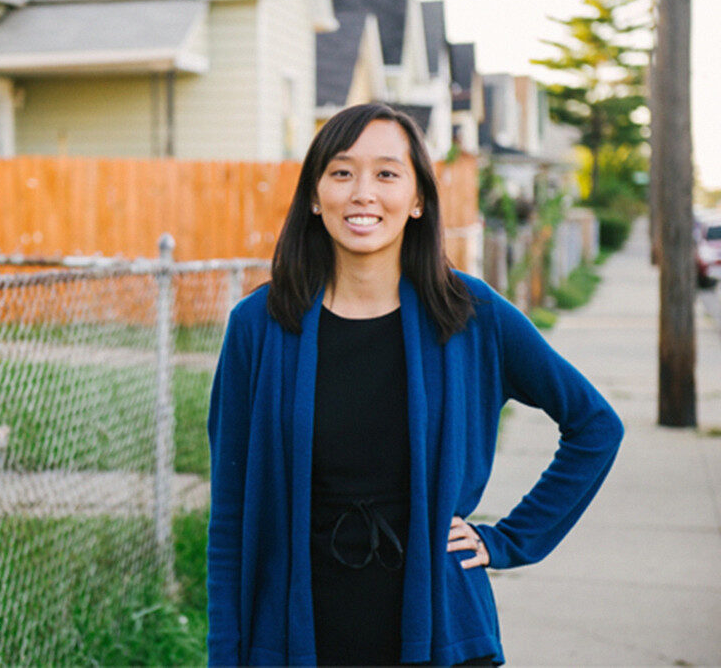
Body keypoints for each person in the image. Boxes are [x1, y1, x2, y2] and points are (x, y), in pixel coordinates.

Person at [206, 103, 624, 666]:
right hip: (296, 638)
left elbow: (595, 425)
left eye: (386, 173)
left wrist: (507, 540)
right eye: (341, 171)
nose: (362, 193)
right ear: (313, 194)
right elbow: (231, 517)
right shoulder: (259, 326)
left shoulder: (471, 315)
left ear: (419, 198)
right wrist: (224, 654)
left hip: (439, 635)